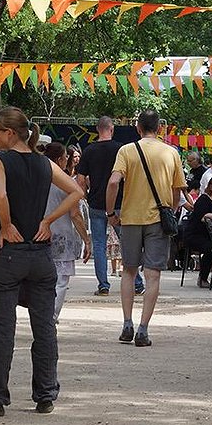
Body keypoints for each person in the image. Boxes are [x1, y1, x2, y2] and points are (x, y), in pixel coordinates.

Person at [0, 107, 85, 417]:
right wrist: (50, 219)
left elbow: (1, 196)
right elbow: (76, 191)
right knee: (44, 328)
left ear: (8, 133)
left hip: (10, 253)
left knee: (3, 328)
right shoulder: (44, 162)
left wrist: (5, 224)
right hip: (41, 253)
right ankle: (45, 394)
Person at [105, 110, 188, 348]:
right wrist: (169, 211)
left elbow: (113, 182)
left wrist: (111, 213)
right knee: (153, 275)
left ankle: (127, 323)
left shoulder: (126, 150)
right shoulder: (171, 153)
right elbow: (176, 190)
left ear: (138, 128)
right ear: (160, 128)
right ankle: (143, 328)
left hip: (131, 218)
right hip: (158, 220)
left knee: (129, 271)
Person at [42, 144, 90, 323]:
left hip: (39, 236)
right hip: (61, 236)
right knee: (60, 281)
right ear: (59, 160)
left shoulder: (37, 180)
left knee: (42, 281)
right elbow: (75, 214)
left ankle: (42, 315)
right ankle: (51, 317)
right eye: (64, 157)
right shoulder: (67, 183)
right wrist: (86, 238)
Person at [75, 116, 123, 297]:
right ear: (112, 129)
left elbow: (80, 179)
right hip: (118, 202)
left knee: (99, 244)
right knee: (126, 243)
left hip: (96, 203)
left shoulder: (89, 151)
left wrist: (86, 196)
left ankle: (103, 285)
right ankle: (137, 282)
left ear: (97, 129)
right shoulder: (120, 149)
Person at [187, 175, 212, 288]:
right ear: (211, 187)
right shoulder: (203, 200)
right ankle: (202, 278)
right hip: (196, 235)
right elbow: (202, 217)